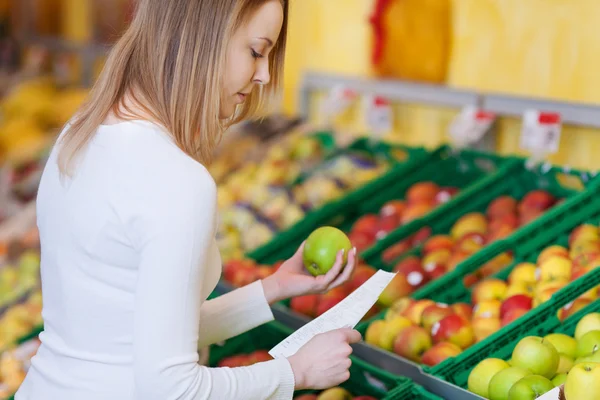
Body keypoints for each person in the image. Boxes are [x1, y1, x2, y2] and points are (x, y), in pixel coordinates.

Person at [15, 1, 362, 399]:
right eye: (256, 51)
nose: (264, 75)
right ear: (205, 37)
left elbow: (125, 336)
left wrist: (272, 289)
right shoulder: (177, 181)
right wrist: (295, 372)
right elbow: (172, 388)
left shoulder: (81, 132)